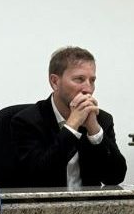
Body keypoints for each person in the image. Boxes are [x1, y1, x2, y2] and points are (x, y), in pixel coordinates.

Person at [11, 46, 127, 188]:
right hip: (47, 202)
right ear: (55, 82)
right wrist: (71, 126)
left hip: (89, 202)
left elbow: (115, 177)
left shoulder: (102, 119)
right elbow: (38, 176)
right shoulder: (27, 121)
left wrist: (94, 131)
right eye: (79, 79)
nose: (88, 89)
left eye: (92, 80)